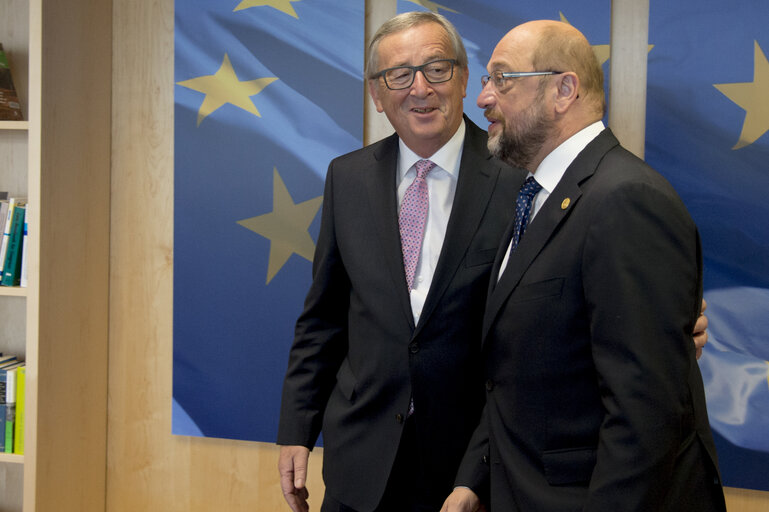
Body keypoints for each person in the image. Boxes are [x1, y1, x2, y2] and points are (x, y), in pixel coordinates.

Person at [277, 12, 711, 512]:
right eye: (399, 75)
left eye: (437, 68)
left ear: (461, 78)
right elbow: (324, 318)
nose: (420, 88)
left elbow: (625, 355)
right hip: (363, 460)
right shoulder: (346, 178)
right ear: (377, 93)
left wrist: (671, 327)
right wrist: (297, 426)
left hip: (480, 465)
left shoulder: (523, 176)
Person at [441, 20, 726, 512]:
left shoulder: (626, 200)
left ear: (563, 90)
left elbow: (646, 413)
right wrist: (474, 479)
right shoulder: (532, 198)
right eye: (488, 81)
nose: (483, 98)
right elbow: (517, 369)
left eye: (502, 79)